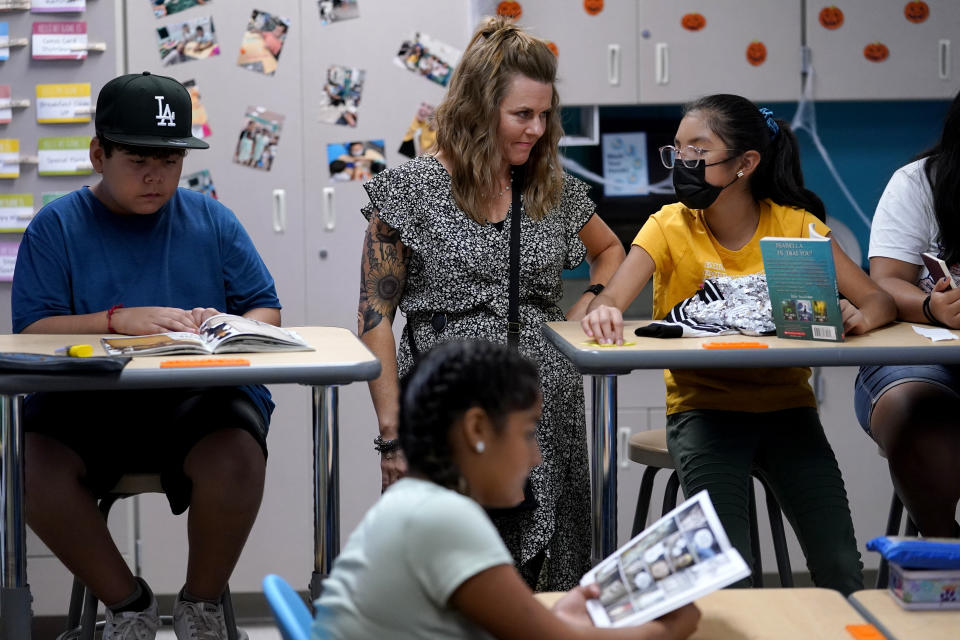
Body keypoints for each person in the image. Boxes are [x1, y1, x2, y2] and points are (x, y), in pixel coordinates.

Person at [580, 94, 897, 595]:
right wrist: (604, 308)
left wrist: (859, 316)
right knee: (731, 573)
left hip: (787, 410)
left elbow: (877, 297)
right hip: (704, 411)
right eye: (677, 151)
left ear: (746, 164)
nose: (682, 164)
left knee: (840, 566)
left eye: (697, 152)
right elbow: (615, 296)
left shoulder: (795, 225)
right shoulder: (668, 225)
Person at [356, 17, 625, 591]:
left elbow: (610, 249)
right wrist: (393, 435)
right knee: (456, 577)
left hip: (546, 408)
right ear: (479, 110)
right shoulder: (408, 190)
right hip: (450, 409)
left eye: (544, 114)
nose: (536, 128)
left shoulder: (548, 185)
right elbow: (375, 320)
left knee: (554, 580)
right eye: (521, 114)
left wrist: (588, 306)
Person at [11, 71, 281, 640]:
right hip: (86, 406)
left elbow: (265, 309)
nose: (157, 176)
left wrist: (228, 327)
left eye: (172, 160)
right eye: (138, 160)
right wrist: (117, 321)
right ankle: (128, 604)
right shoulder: (56, 225)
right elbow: (32, 330)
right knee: (27, 467)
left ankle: (199, 606)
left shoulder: (211, 219)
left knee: (237, 454)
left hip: (195, 404)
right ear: (97, 154)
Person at [313, 340, 701, 640]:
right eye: (528, 432)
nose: (536, 458)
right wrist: (669, 630)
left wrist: (561, 613)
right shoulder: (443, 519)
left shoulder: (414, 501)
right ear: (477, 429)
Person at [854, 89, 960, 537]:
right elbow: (884, 282)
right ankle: (942, 551)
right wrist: (934, 308)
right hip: (920, 356)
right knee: (915, 412)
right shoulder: (920, 182)